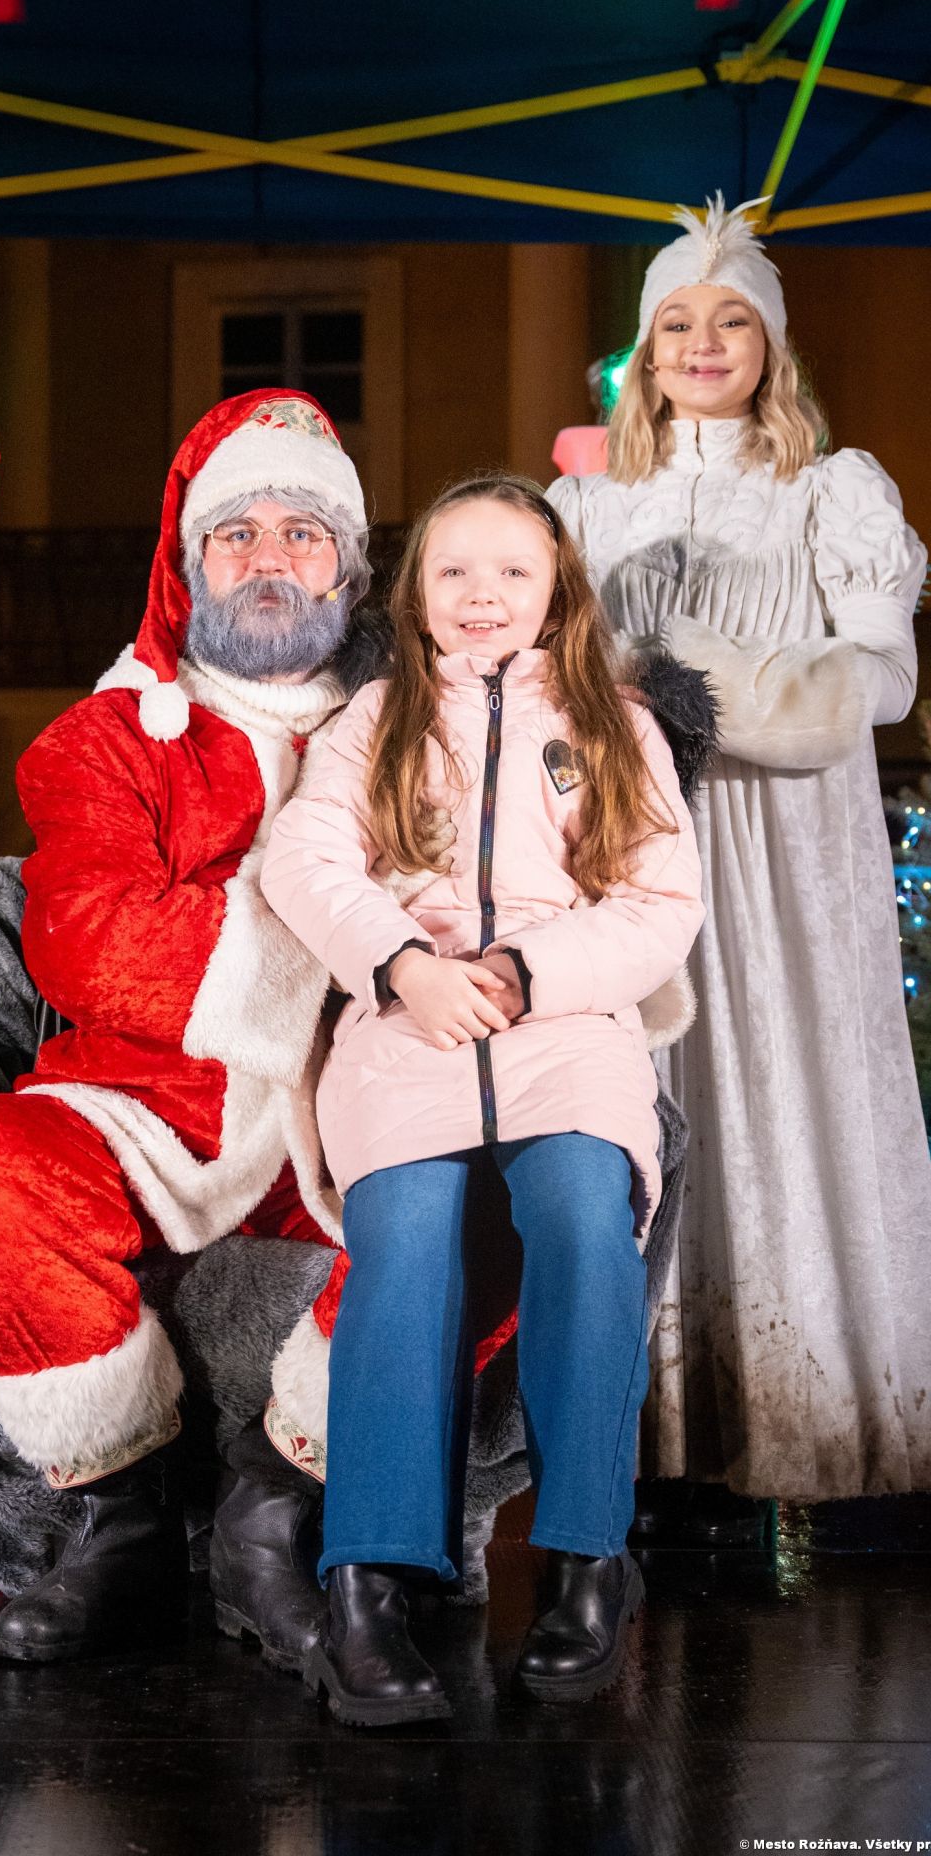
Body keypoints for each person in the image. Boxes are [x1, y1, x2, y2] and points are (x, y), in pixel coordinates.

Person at [0, 387, 381, 1665]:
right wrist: (349, 946)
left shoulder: (418, 735)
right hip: (146, 1105)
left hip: (355, 1100)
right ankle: (117, 1518)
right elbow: (90, 936)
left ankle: (273, 1507)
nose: (269, 558)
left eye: (302, 532)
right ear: (186, 569)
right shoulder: (102, 742)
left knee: (496, 1195)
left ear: (348, 568)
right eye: (237, 534)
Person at [547, 196, 931, 1526]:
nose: (702, 342)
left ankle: (809, 1425)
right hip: (637, 843)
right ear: (643, 349)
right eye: (676, 321)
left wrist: (700, 675)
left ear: (772, 347)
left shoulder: (831, 493)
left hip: (786, 846)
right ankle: (652, 1436)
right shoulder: (586, 509)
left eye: (731, 320)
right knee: (644, 1108)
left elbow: (880, 679)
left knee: (789, 1089)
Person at [260, 474, 705, 1724]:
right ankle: (369, 1581)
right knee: (403, 1239)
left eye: (511, 570)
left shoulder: (615, 723)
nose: (480, 595)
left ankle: (586, 1556)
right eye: (452, 570)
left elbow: (659, 903)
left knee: (582, 1216)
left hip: (563, 1025)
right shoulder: (374, 717)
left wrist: (524, 970)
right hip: (409, 1022)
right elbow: (305, 856)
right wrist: (403, 965)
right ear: (415, 595)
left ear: (555, 592)